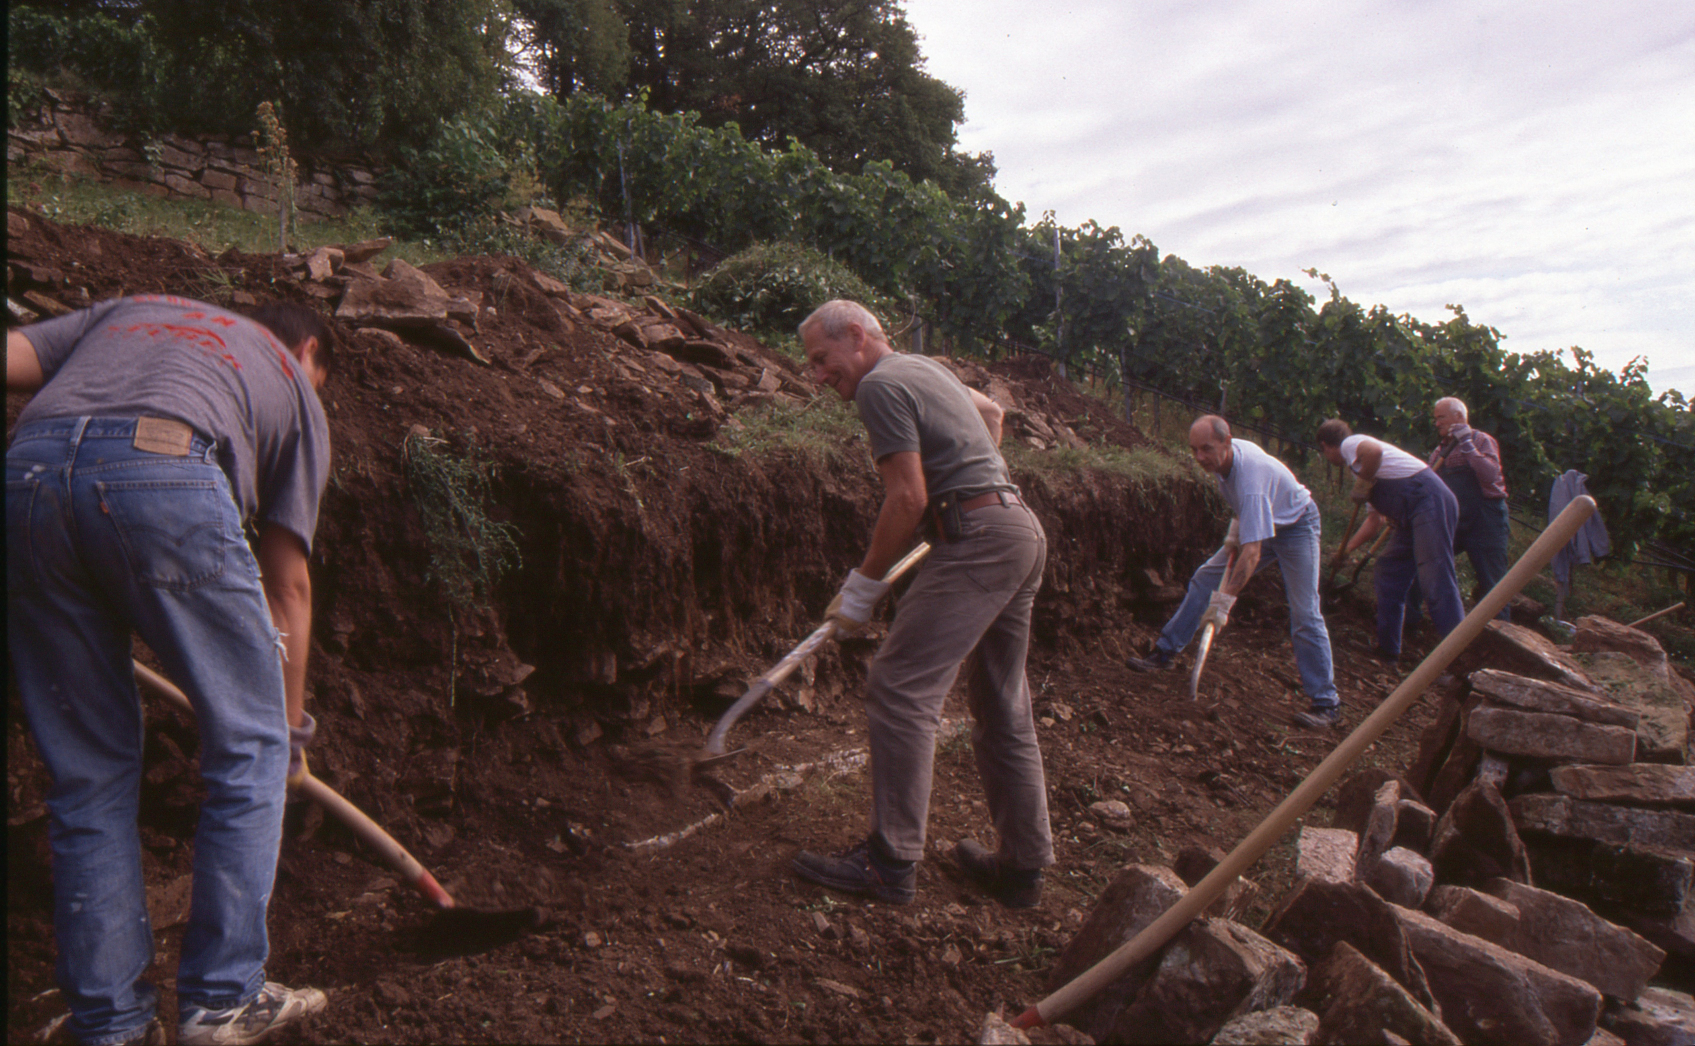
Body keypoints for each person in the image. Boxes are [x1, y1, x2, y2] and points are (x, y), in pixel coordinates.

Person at [7, 295, 334, 1046]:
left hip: (22, 478)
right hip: (166, 471)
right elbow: (287, 583)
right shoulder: (291, 381)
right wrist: (287, 733)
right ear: (311, 351)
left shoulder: (130, 310)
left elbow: (11, 358)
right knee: (248, 750)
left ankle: (111, 1025)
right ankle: (222, 1000)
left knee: (87, 778)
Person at [788, 299, 1052, 908]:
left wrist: (863, 587)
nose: (818, 375)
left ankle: (890, 863)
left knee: (901, 686)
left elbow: (907, 498)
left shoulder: (879, 385)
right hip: (1017, 529)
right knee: (1001, 702)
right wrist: (979, 487)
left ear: (857, 335)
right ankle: (1021, 868)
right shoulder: (924, 369)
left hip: (980, 541)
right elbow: (991, 412)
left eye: (822, 359)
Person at [1127, 416, 1342, 728]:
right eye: (1194, 449)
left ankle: (1327, 703)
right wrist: (1235, 533)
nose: (1199, 457)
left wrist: (1221, 606)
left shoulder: (1251, 481)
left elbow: (1251, 553)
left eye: (1206, 449)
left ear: (1226, 443)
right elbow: (1248, 510)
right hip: (1263, 519)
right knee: (1205, 577)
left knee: (1305, 612)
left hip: (1297, 525)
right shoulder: (1227, 460)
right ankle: (1165, 652)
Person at [1318, 418, 1464, 663]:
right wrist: (1345, 551)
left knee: (1435, 579)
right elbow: (1375, 523)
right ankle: (1388, 650)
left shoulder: (1350, 444)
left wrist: (1363, 484)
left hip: (1430, 502)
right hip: (1411, 516)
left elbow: (1373, 450)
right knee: (1389, 570)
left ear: (1326, 445)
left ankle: (1460, 661)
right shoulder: (1362, 469)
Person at [1408, 397, 1511, 621]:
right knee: (1426, 562)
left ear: (1459, 417)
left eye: (1441, 417)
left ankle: (1502, 639)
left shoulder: (1481, 440)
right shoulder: (1439, 453)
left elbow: (1490, 475)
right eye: (1435, 418)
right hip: (1455, 518)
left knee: (1493, 581)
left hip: (1487, 518)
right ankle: (1410, 621)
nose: (1436, 423)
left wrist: (1467, 445)